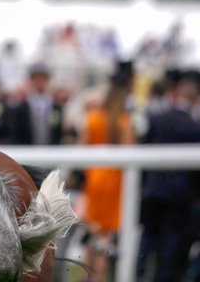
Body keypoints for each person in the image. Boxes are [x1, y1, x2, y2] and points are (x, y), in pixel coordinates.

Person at [136, 71, 200, 282]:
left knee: (148, 239)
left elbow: (141, 155)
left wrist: (143, 185)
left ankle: (139, 274)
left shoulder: (156, 119)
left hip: (153, 192)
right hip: (180, 197)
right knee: (171, 245)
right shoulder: (194, 127)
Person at [78, 60, 136, 282]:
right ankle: (98, 278)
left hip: (94, 179)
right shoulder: (124, 122)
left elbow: (81, 149)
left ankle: (87, 276)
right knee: (103, 239)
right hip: (114, 182)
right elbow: (129, 154)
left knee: (93, 237)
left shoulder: (93, 118)